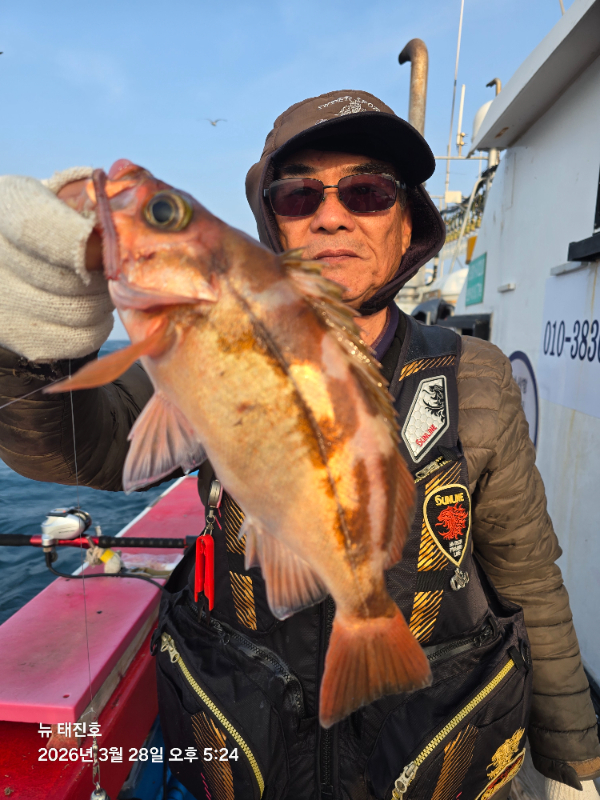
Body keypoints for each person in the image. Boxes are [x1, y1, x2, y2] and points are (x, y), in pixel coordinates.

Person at [0, 90, 599, 800]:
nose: (332, 215)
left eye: (369, 192)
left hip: (428, 752)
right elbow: (78, 449)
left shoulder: (478, 375)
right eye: (298, 195)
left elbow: (529, 577)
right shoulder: (188, 349)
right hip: (254, 750)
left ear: (409, 222)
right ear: (273, 228)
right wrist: (32, 343)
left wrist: (573, 756)